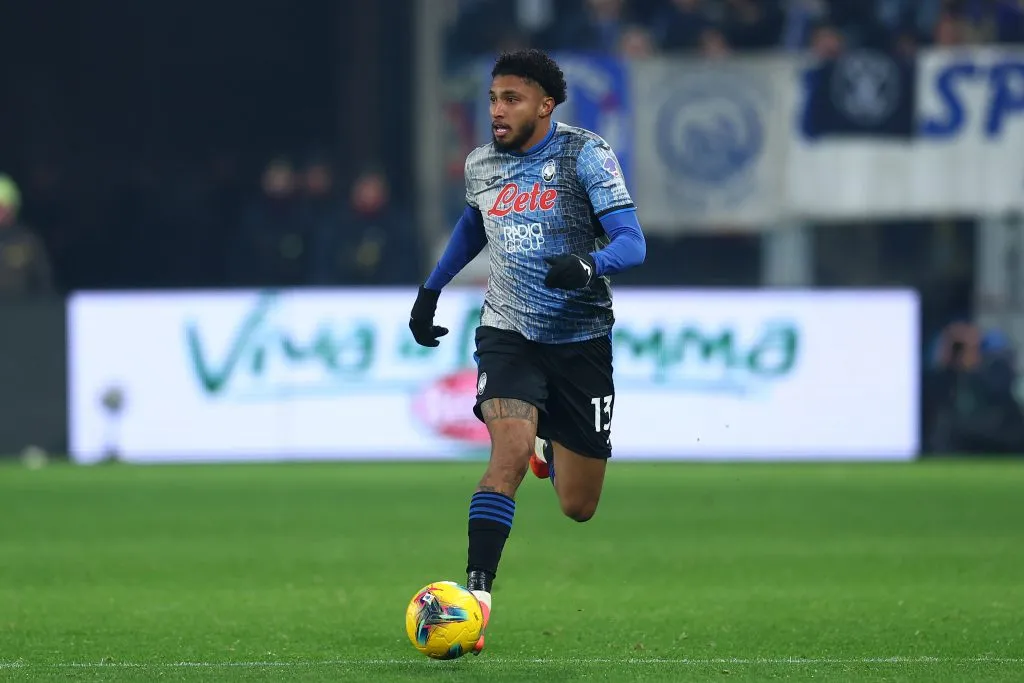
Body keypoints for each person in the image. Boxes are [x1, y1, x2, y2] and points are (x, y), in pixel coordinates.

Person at [407, 49, 647, 655]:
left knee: (578, 505)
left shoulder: (583, 155)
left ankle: (551, 445)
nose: (497, 111)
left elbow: (632, 243)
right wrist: (431, 290)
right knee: (506, 453)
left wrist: (589, 265)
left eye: (511, 99)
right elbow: (472, 226)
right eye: (492, 99)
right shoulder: (481, 164)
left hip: (581, 342)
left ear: (546, 104)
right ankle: (476, 599)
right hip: (508, 333)